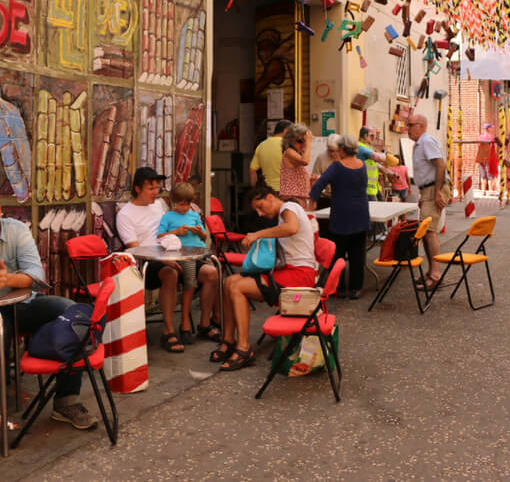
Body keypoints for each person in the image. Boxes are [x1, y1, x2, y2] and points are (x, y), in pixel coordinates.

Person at [0, 188, 98, 430]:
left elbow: (36, 276)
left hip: (24, 304)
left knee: (71, 312)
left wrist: (7, 280)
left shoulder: (17, 230)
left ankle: (67, 401)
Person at [211, 186, 317, 371]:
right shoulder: (286, 211)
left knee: (237, 287)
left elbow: (291, 228)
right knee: (229, 282)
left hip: (299, 276)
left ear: (270, 197)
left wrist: (257, 235)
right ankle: (228, 339)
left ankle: (244, 349)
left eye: (260, 207)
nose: (260, 213)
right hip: (290, 271)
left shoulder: (287, 208)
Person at [117, 167, 191, 353]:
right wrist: (164, 259)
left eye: (157, 187)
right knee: (170, 273)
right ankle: (169, 331)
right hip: (147, 263)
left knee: (211, 272)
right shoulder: (125, 214)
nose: (156, 192)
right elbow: (134, 249)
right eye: (151, 188)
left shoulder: (159, 205)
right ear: (137, 189)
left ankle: (202, 325)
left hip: (172, 253)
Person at [156, 181, 221, 343]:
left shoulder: (194, 215)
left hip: (199, 253)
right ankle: (185, 323)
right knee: (190, 282)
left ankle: (206, 323)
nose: (184, 207)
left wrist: (200, 232)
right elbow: (159, 237)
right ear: (174, 202)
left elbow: (205, 236)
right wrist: (176, 232)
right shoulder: (168, 216)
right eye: (181, 204)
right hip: (183, 255)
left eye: (187, 204)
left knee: (216, 275)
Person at [309, 134, 370, 299]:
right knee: (358, 253)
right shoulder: (362, 165)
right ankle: (356, 288)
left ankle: (340, 288)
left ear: (342, 149)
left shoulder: (336, 167)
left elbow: (319, 185)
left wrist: (312, 203)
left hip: (341, 213)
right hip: (360, 213)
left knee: (338, 253)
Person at [407, 113, 451, 291]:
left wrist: (438, 192)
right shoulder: (419, 144)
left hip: (434, 188)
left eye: (411, 125)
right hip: (428, 189)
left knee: (429, 232)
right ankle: (431, 272)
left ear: (421, 126)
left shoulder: (426, 141)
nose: (407, 129)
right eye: (407, 125)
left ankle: (435, 275)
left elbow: (440, 165)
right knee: (426, 232)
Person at [249, 119, 290, 190]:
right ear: (285, 130)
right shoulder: (287, 145)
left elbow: (252, 170)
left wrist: (254, 188)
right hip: (286, 191)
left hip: (268, 191)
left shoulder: (261, 145)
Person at [279, 123, 313, 206]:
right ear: (290, 140)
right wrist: (308, 143)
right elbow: (305, 161)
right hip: (292, 197)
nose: (303, 144)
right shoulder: (289, 152)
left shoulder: (296, 153)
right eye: (300, 141)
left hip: (298, 197)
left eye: (303, 141)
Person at [476, 123, 499, 191]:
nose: (492, 129)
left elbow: (478, 147)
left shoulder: (480, 137)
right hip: (488, 158)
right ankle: (490, 191)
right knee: (489, 174)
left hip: (481, 158)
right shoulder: (490, 137)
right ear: (488, 128)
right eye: (491, 128)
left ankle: (484, 191)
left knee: (483, 175)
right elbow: (492, 148)